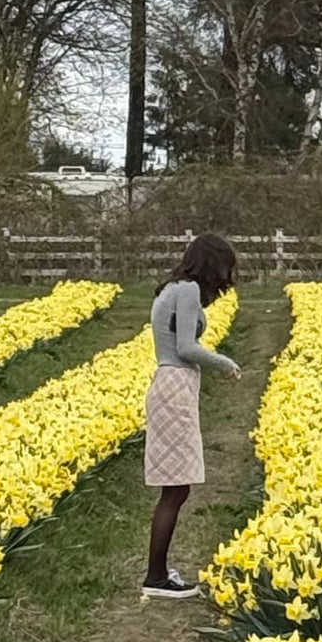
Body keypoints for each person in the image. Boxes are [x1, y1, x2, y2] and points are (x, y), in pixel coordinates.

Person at [142, 233, 241, 601]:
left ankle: (157, 573)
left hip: (170, 384)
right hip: (175, 385)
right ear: (212, 263)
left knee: (176, 486)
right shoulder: (186, 291)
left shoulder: (172, 289)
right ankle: (155, 577)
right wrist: (224, 363)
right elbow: (185, 347)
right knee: (176, 488)